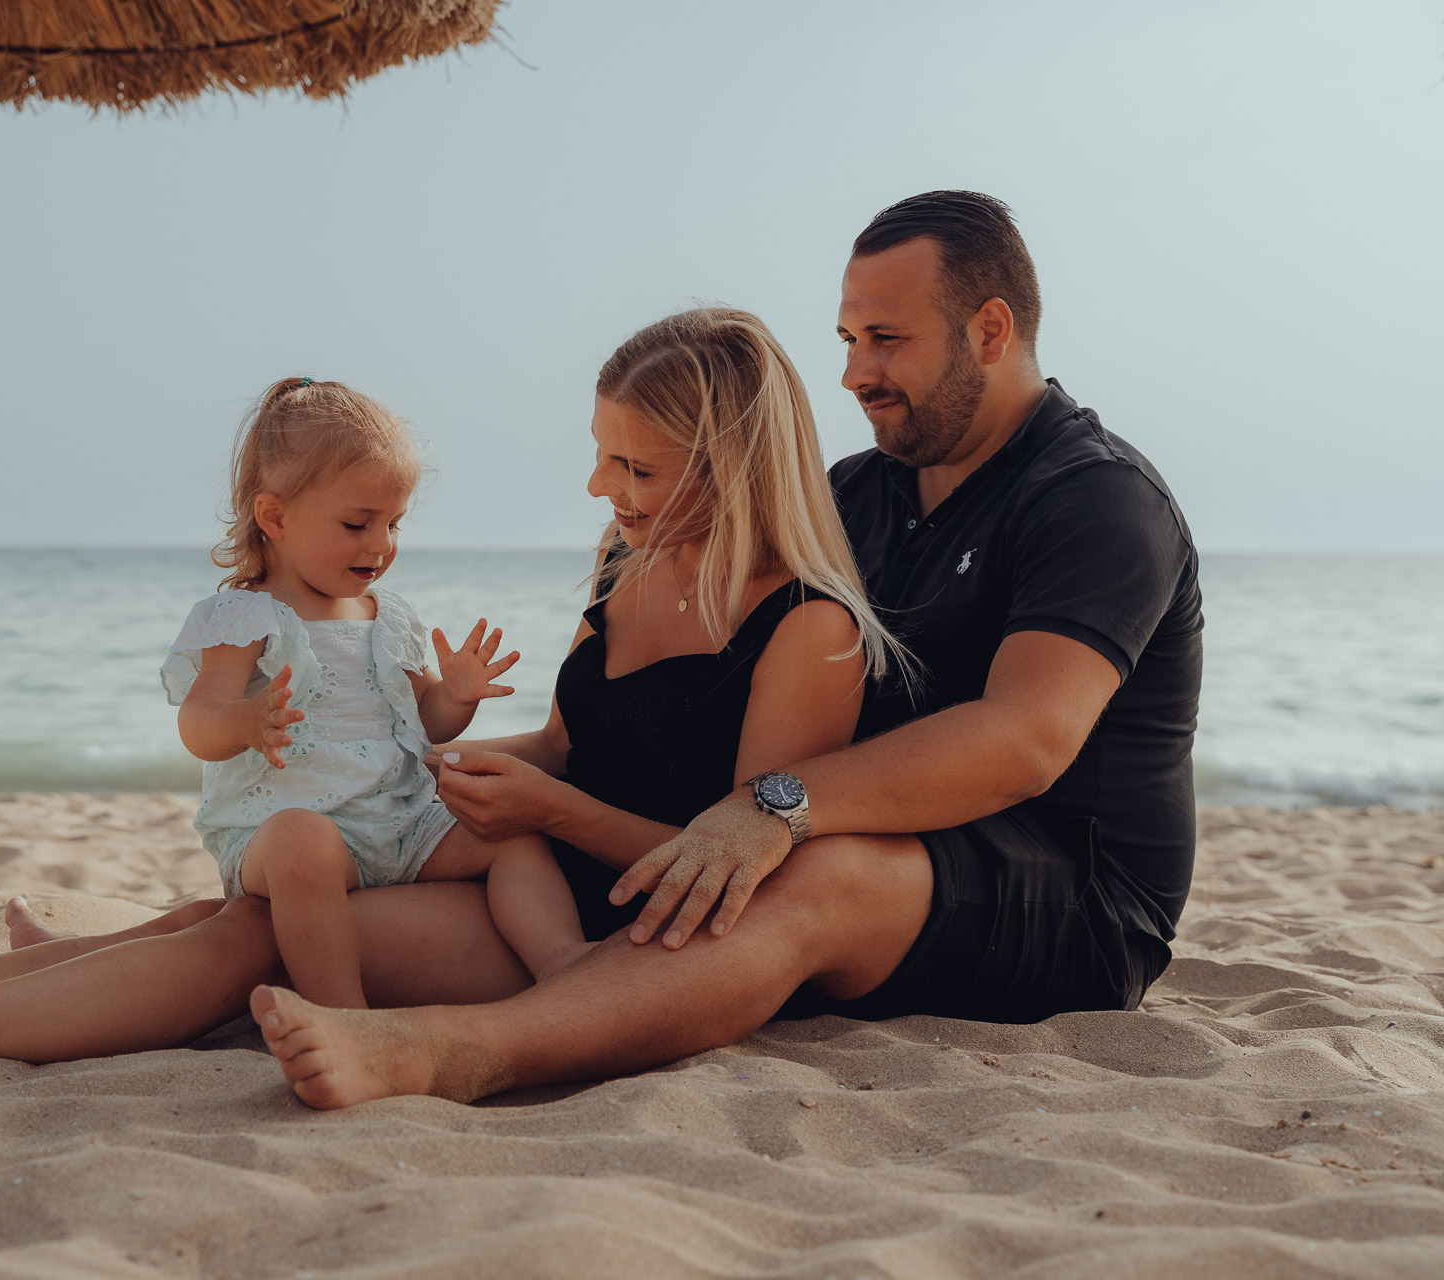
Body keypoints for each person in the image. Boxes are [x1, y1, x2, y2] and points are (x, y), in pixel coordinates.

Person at [0, 308, 891, 1089]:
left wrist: (542, 813)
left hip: (620, 923)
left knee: (248, 933)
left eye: (634, 464)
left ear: (732, 462)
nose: (596, 486)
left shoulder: (810, 628)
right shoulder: (630, 564)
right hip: (516, 861)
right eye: (600, 449)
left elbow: (741, 871)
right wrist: (415, 758)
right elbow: (565, 746)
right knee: (232, 902)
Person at [242, 190, 1203, 1105]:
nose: (854, 372)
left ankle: (461, 1053)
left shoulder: (1097, 500)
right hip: (862, 844)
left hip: (1071, 901)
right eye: (848, 340)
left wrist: (771, 807)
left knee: (808, 867)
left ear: (990, 331)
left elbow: (1024, 739)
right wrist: (380, 777)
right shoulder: (855, 494)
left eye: (887, 339)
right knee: (299, 900)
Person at [159, 375, 582, 1008]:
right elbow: (197, 723)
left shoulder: (387, 616)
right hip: (286, 836)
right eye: (357, 523)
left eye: (394, 524)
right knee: (304, 843)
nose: (381, 545)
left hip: (399, 822)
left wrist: (456, 696)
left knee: (512, 833)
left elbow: (424, 722)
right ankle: (341, 1013)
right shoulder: (245, 616)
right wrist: (244, 721)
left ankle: (565, 963)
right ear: (275, 517)